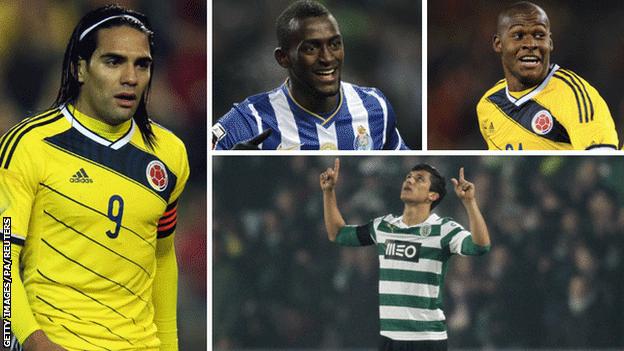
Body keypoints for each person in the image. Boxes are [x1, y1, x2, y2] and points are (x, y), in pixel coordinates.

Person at [0, 5, 189, 350]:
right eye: (113, 62)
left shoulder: (169, 154)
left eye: (141, 64)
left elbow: (163, 257)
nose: (130, 77)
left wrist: (170, 345)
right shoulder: (28, 145)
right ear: (80, 69)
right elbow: (4, 255)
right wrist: (30, 339)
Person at [320, 159, 490, 351]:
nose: (409, 180)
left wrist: (470, 203)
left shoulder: (444, 229)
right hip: (390, 337)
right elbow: (338, 234)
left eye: (419, 179)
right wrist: (328, 192)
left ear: (432, 195)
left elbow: (480, 246)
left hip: (426, 338)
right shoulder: (384, 226)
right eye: (408, 177)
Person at [212, 0, 409, 150]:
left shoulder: (374, 106)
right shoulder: (249, 119)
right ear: (283, 58)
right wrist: (230, 166)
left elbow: (410, 170)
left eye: (334, 44)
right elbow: (203, 171)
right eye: (310, 48)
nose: (327, 58)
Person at [476, 1, 619, 150]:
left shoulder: (573, 94)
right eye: (518, 36)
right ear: (498, 43)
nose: (531, 44)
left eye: (539, 35)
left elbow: (602, 163)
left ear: (549, 43)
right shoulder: (489, 105)